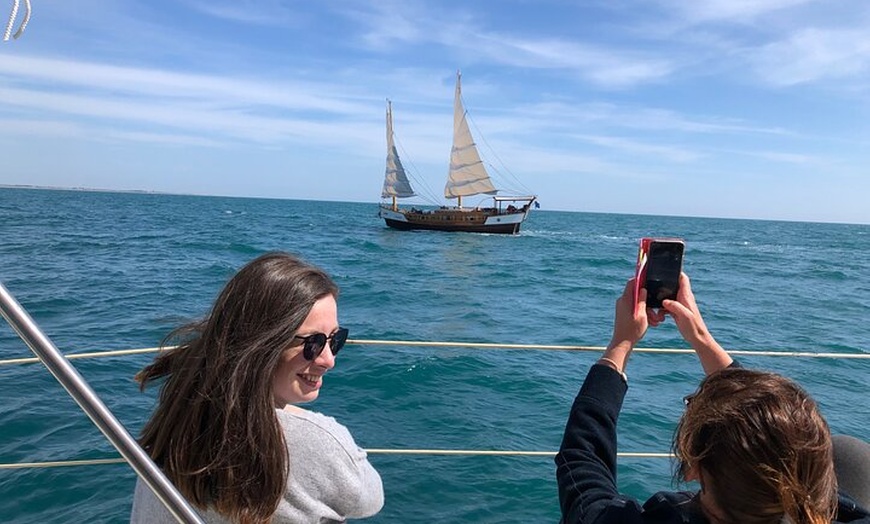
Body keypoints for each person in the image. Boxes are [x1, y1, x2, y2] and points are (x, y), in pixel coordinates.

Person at [555, 272, 870, 524]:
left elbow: (582, 461)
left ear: (694, 467)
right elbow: (770, 424)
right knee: (848, 452)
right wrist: (700, 336)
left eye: (692, 404)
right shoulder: (833, 511)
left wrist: (620, 344)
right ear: (808, 471)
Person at [130, 252, 384, 524]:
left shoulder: (177, 422)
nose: (329, 360)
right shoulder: (318, 440)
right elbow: (371, 499)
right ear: (261, 344)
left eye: (335, 339)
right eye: (312, 342)